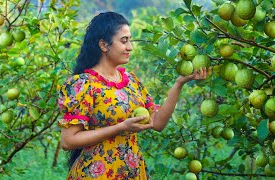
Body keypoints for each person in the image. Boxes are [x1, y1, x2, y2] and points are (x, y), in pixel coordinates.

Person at [58, 12, 208, 180]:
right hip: (97, 174)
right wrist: (121, 127)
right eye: (124, 41)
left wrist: (179, 83)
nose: (130, 47)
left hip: (132, 172)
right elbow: (68, 141)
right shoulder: (84, 84)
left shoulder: (130, 81)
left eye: (130, 40)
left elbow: (157, 123)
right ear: (103, 45)